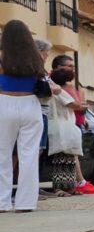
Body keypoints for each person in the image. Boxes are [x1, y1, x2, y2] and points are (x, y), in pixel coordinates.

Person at [0, 20, 50, 212]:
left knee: (2, 154)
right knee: (29, 155)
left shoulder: (2, 56)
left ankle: (2, 202)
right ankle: (26, 202)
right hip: (30, 104)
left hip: (5, 102)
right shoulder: (36, 58)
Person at [52, 55, 94, 194]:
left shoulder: (65, 85)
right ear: (58, 68)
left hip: (70, 123)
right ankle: (67, 185)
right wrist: (82, 107)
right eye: (69, 66)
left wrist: (83, 115)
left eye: (73, 66)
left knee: (69, 155)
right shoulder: (57, 87)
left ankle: (72, 185)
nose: (72, 69)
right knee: (65, 155)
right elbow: (73, 104)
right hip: (62, 124)